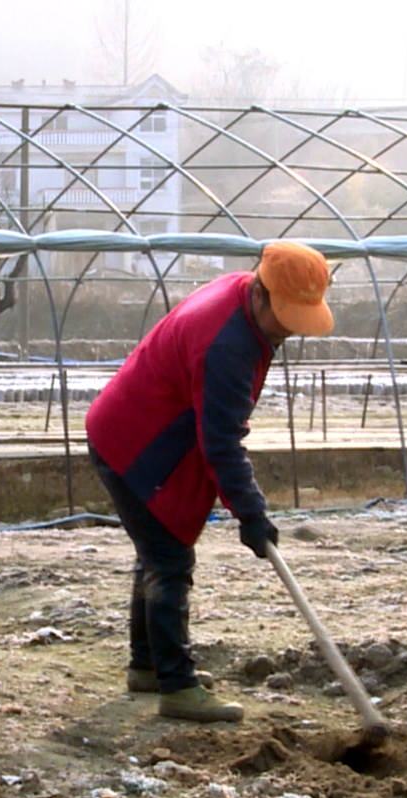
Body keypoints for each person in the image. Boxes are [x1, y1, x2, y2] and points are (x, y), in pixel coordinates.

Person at [84, 241, 334, 723]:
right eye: (284, 317)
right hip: (135, 442)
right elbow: (221, 441)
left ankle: (148, 666)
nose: (287, 330)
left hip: (134, 429)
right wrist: (252, 513)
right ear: (260, 294)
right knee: (169, 558)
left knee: (157, 554)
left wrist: (248, 510)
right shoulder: (229, 344)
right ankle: (177, 686)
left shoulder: (241, 299)